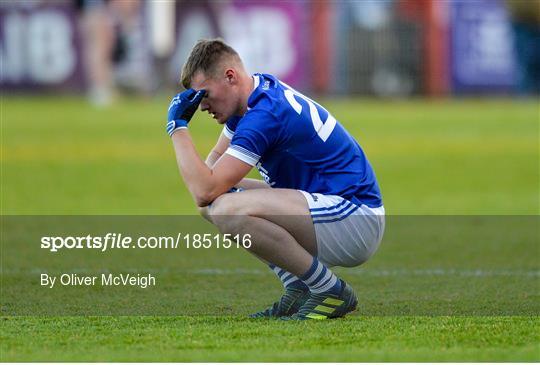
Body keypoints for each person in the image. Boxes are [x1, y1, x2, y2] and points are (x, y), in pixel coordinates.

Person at [166, 39, 385, 320]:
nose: (202, 106)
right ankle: (299, 287)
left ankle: (329, 290)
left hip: (355, 217)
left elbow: (203, 188)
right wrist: (212, 186)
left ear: (230, 76)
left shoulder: (265, 114)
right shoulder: (252, 98)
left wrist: (178, 128)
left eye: (203, 95)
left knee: (225, 208)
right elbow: (209, 177)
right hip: (328, 206)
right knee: (215, 204)